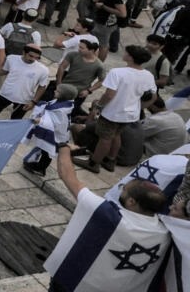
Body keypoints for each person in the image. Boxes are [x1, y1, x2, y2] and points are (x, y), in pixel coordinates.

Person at [44, 143, 169, 292]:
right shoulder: (165, 233)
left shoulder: (107, 214)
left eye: (124, 189)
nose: (121, 189)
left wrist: (64, 147)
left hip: (73, 283)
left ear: (131, 202)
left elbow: (66, 174)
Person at [78, 45, 157, 173]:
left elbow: (109, 94)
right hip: (131, 115)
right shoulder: (148, 75)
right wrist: (140, 107)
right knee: (116, 135)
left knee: (105, 138)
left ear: (130, 57)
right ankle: (110, 160)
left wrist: (98, 107)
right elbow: (153, 96)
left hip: (113, 112)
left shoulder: (117, 72)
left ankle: (94, 163)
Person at [0, 43, 50, 120]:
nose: (33, 59)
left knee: (15, 121)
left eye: (37, 58)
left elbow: (42, 86)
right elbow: (5, 71)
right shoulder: (11, 58)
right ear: (24, 52)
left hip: (23, 100)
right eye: (30, 56)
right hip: (5, 94)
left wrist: (33, 102)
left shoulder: (43, 70)